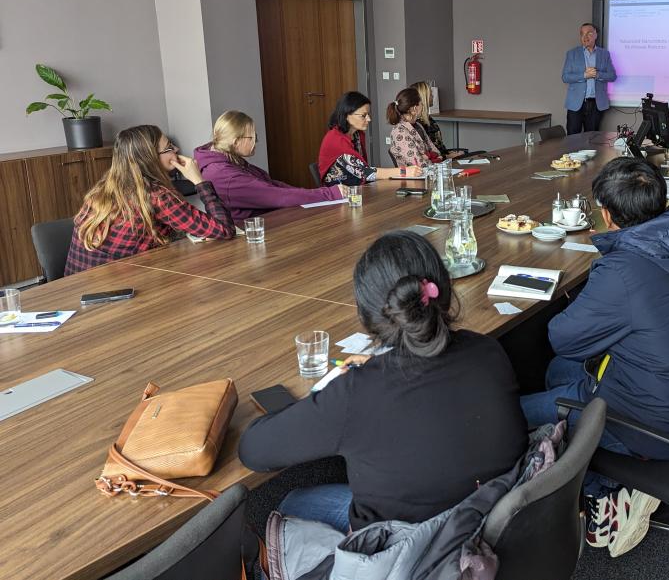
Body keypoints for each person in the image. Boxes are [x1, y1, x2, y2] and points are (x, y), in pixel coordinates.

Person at [239, 231, 528, 533]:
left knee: (292, 504)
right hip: (497, 525)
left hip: (410, 552)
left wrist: (325, 395)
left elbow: (253, 451)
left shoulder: (355, 393)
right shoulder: (488, 350)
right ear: (444, 288)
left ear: (366, 314)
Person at [520, 156, 669, 557]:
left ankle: (606, 491)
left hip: (647, 423)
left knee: (511, 415)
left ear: (605, 213)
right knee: (556, 372)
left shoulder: (624, 271)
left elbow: (561, 337)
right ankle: (589, 463)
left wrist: (596, 299)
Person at [64, 125, 235, 275]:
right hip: (114, 296)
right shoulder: (157, 195)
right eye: (168, 147)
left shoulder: (104, 187)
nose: (175, 149)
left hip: (74, 289)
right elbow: (224, 229)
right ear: (150, 157)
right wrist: (199, 181)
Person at [195, 111, 342, 223]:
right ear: (235, 141)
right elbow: (279, 196)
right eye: (252, 137)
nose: (256, 141)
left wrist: (320, 193)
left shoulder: (227, 159)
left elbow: (273, 186)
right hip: (250, 236)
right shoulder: (225, 175)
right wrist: (330, 194)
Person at [318, 92, 421, 186]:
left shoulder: (357, 134)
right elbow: (365, 172)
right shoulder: (336, 140)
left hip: (357, 188)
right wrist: (404, 171)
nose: (369, 119)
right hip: (339, 195)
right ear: (346, 116)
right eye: (363, 116)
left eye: (368, 114)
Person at [562, 22, 617, 135]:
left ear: (595, 35)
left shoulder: (604, 54)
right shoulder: (572, 54)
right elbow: (565, 77)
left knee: (591, 139)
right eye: (582, 34)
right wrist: (584, 75)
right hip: (576, 103)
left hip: (595, 103)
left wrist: (597, 75)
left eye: (589, 33)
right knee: (572, 138)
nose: (585, 37)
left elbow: (612, 76)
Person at [387, 87, 443, 168]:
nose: (423, 105)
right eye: (421, 103)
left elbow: (437, 152)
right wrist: (431, 157)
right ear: (414, 108)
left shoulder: (418, 125)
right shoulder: (399, 132)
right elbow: (419, 165)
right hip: (414, 178)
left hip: (431, 172)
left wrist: (427, 156)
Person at [411, 80, 461, 159]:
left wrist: (447, 152)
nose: (433, 96)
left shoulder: (428, 119)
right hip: (437, 164)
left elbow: (437, 146)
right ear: (424, 97)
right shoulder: (418, 125)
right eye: (431, 93)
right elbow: (427, 155)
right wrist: (447, 156)